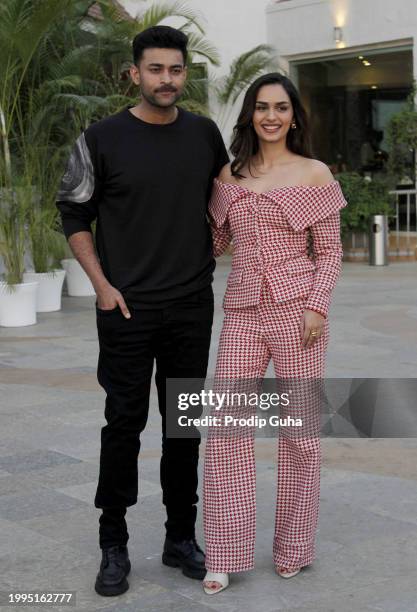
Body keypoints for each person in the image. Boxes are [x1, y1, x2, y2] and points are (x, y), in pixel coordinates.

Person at [56, 25, 229, 597]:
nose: (166, 80)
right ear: (135, 74)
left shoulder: (205, 135)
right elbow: (74, 216)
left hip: (189, 307)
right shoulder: (100, 139)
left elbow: (229, 202)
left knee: (184, 429)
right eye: (155, 70)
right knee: (123, 426)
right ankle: (114, 543)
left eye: (175, 70)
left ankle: (181, 537)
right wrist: (102, 287)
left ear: (185, 74)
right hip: (125, 308)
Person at [202, 73, 347, 595]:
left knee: (301, 434)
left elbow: (329, 253)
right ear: (249, 114)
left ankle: (293, 548)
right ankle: (222, 552)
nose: (271, 116)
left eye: (281, 107)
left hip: (298, 315)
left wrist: (316, 308)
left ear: (293, 115)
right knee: (226, 430)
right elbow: (214, 243)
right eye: (262, 107)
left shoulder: (314, 173)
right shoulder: (230, 175)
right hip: (242, 311)